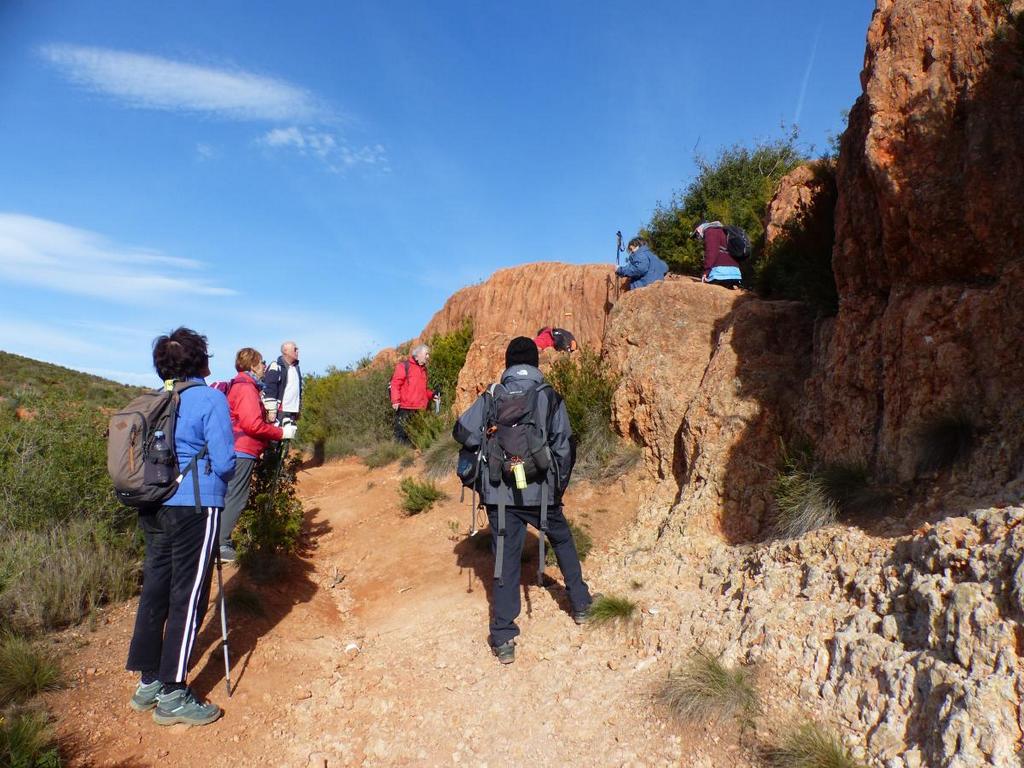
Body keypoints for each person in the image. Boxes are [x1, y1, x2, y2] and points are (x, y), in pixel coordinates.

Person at [453, 337, 594, 664]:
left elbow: (462, 432)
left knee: (505, 557)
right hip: (540, 493)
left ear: (508, 364)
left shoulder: (493, 395)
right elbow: (565, 448)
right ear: (535, 363)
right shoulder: (548, 396)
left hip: (500, 495)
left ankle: (503, 637)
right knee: (562, 539)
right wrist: (555, 491)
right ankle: (582, 605)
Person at [125, 327, 235, 726]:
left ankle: (149, 682)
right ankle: (174, 692)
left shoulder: (156, 400)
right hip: (196, 506)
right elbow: (225, 461)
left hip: (153, 505)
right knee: (187, 597)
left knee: (155, 590)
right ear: (200, 360)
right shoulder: (210, 398)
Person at [218, 348, 297, 563]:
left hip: (235, 446)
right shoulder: (246, 388)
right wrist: (281, 433)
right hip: (243, 449)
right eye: (261, 363)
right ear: (252, 365)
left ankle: (219, 539)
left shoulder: (241, 385)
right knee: (237, 496)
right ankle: (221, 544)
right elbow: (252, 424)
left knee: (230, 494)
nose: (264, 366)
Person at [390, 344, 436, 444]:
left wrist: (432, 395)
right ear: (418, 354)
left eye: (428, 354)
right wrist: (395, 400)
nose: (428, 357)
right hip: (405, 408)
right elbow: (395, 384)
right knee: (401, 437)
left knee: (415, 438)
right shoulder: (404, 366)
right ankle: (398, 455)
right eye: (426, 354)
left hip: (419, 409)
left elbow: (423, 390)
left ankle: (414, 456)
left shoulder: (424, 370)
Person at [694, 221, 743, 289]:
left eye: (696, 235)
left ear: (698, 229)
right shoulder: (723, 231)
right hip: (736, 273)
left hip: (720, 274)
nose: (698, 238)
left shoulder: (710, 231)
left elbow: (711, 253)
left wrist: (706, 272)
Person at [264, 341, 302, 423]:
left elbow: (299, 390)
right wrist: (271, 410)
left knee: (290, 435)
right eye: (295, 349)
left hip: (293, 412)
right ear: (285, 351)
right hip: (280, 412)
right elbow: (270, 388)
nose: (298, 351)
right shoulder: (276, 366)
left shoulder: (296, 368)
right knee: (279, 435)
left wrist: (299, 408)